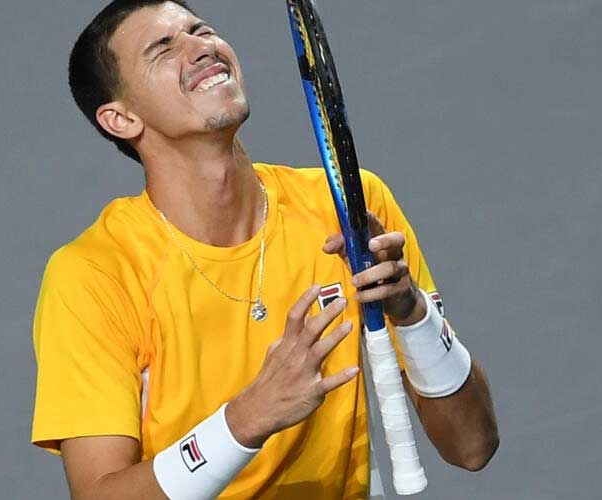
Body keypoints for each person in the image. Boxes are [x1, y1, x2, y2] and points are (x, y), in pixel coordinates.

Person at [30, 1, 499, 499]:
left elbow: (472, 446)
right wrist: (246, 419)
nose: (201, 48)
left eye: (201, 30)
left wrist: (412, 313)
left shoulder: (348, 207)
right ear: (121, 119)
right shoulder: (93, 274)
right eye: (163, 49)